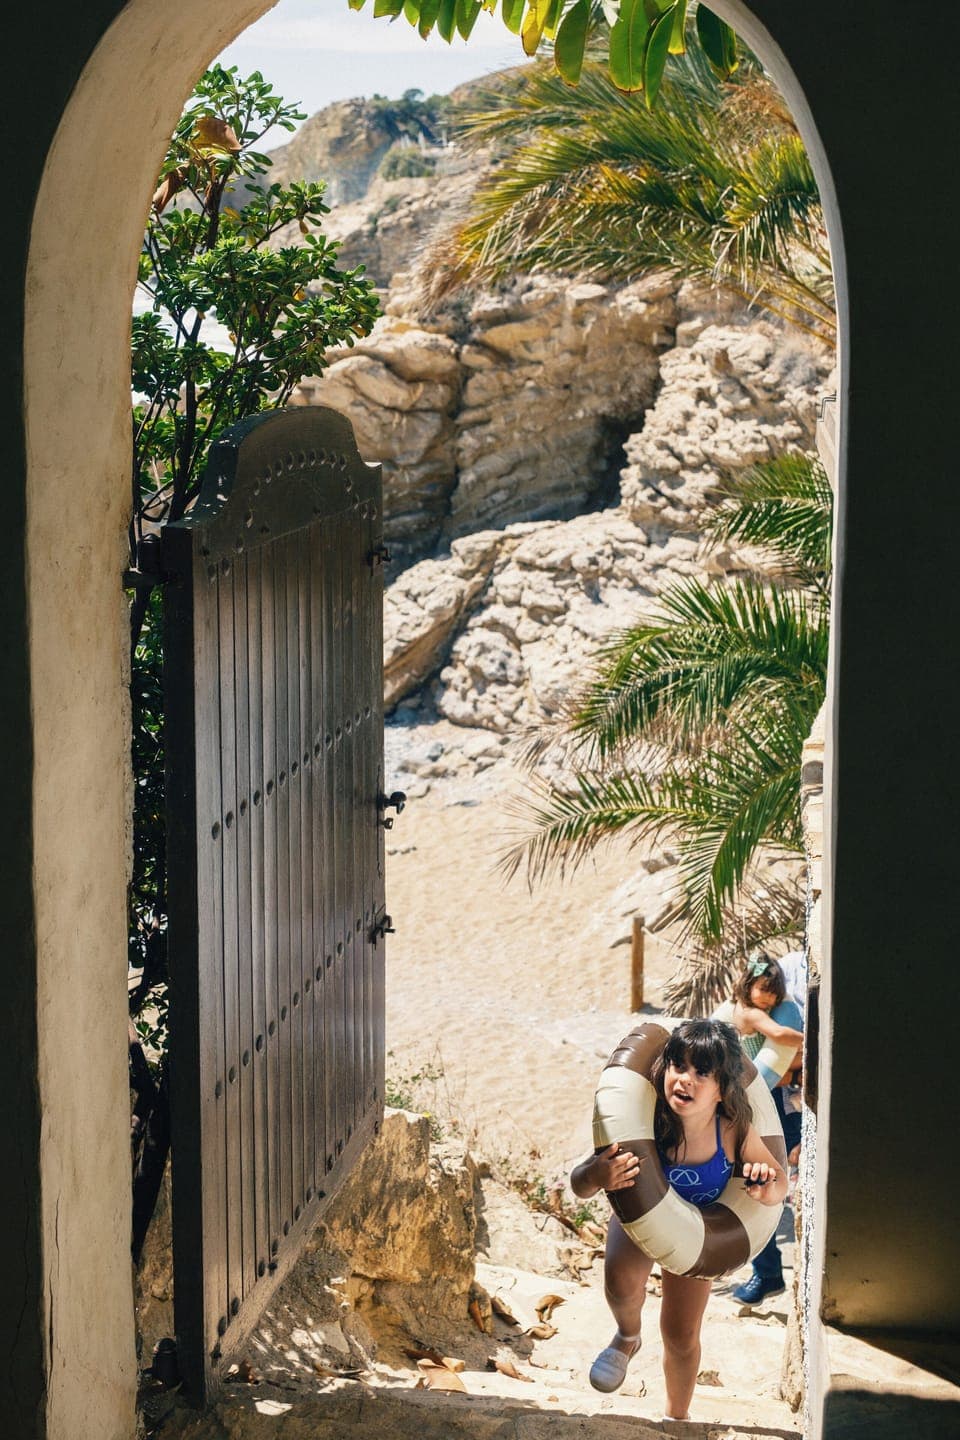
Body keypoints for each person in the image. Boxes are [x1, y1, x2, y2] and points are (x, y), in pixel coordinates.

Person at [571, 1019, 787, 1421]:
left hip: (700, 1232)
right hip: (640, 1216)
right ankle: (627, 1337)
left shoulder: (733, 1131)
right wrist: (598, 1175)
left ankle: (677, 1417)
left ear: (723, 1089)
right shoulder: (647, 1119)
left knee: (681, 1333)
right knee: (620, 1284)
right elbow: (579, 1184)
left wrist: (763, 1187)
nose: (685, 1080)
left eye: (702, 1072)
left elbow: (777, 1186)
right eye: (678, 1067)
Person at [714, 951, 807, 1306]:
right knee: (752, 1183)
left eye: (772, 990)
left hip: (790, 1107)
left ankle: (770, 1274)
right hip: (759, 1108)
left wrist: (797, 1062)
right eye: (761, 989)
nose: (768, 996)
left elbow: (786, 1052)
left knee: (776, 1179)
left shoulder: (785, 1001)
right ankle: (767, 1273)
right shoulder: (746, 1011)